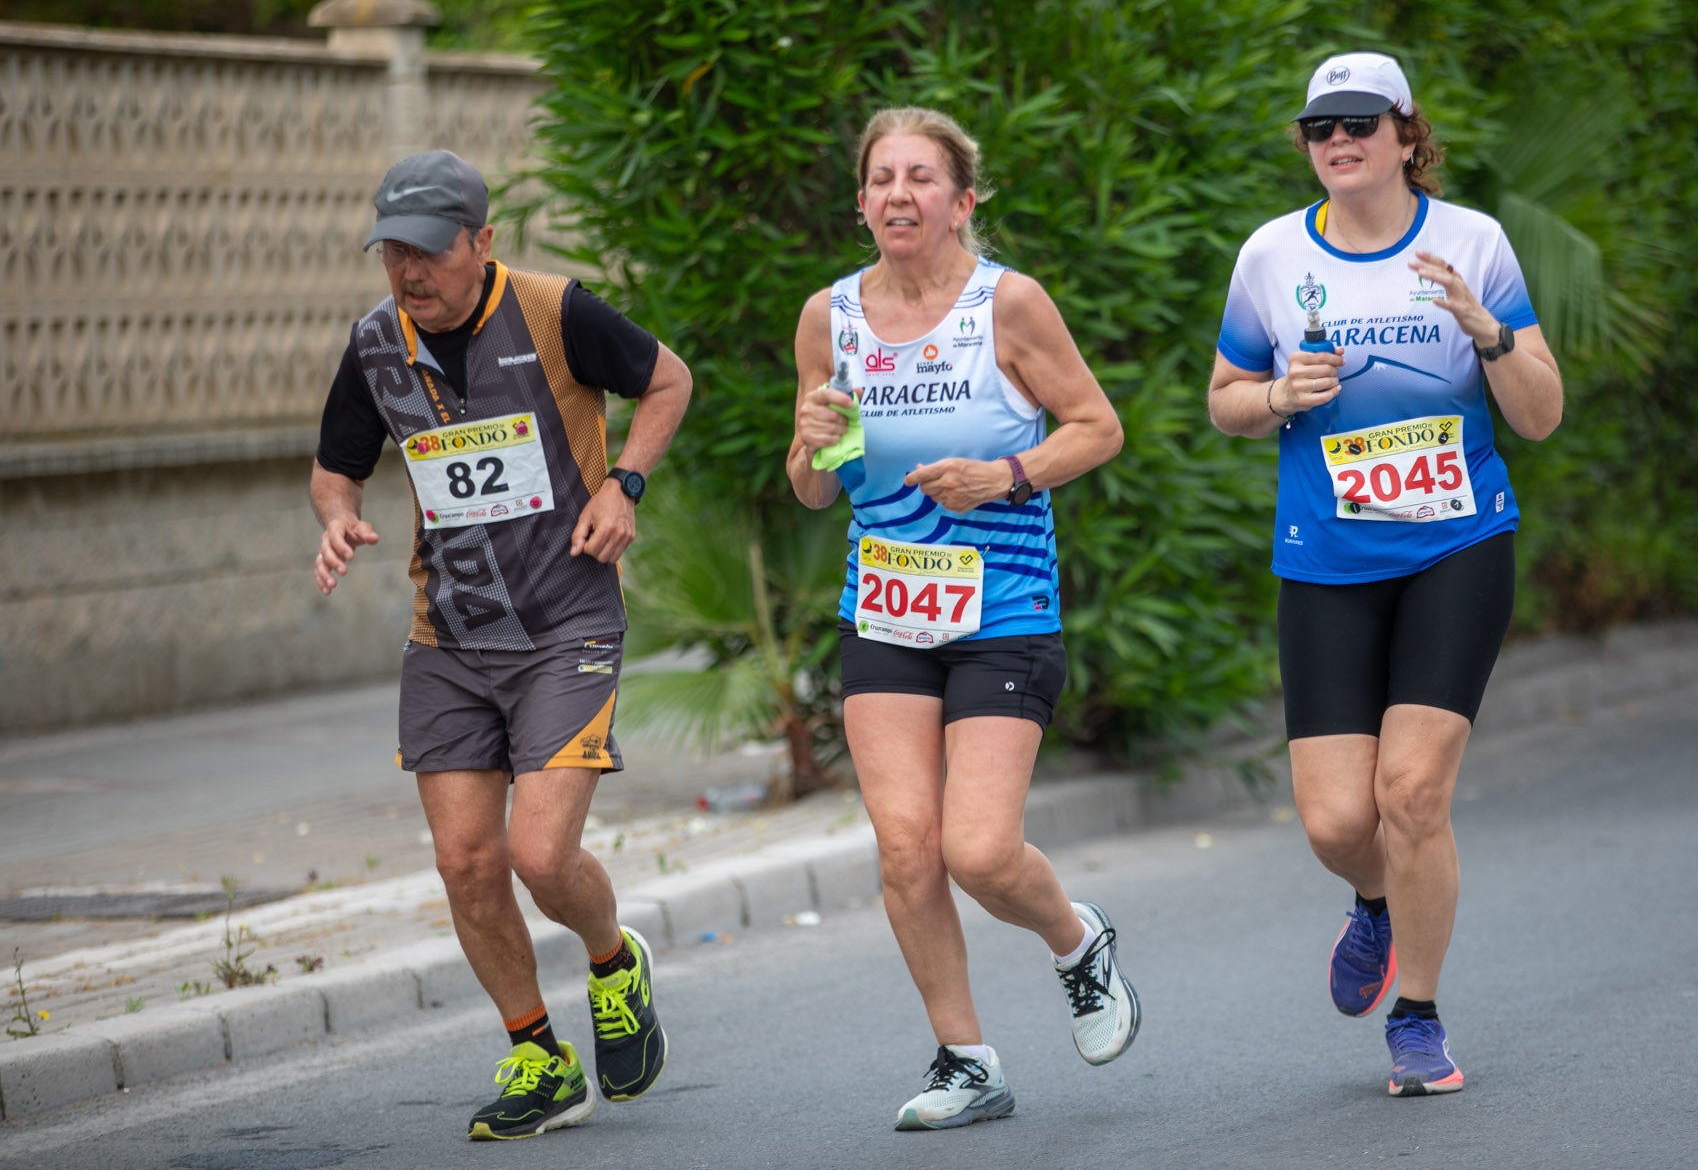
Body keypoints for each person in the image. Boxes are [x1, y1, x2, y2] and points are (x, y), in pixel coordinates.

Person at [310, 150, 693, 1140]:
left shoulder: (557, 311)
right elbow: (335, 465)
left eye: (430, 250)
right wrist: (336, 515)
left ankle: (613, 961)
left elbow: (667, 382)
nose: (409, 271)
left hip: (567, 618)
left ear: (482, 241)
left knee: (537, 851)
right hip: (449, 632)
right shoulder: (373, 344)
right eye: (394, 250)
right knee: (465, 860)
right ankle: (537, 1052)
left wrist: (626, 484)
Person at [1207, 53, 1562, 1096]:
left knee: (1409, 793)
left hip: (1455, 545)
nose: (1338, 141)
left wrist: (1485, 330)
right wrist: (1275, 398)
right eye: (1320, 127)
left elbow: (1538, 415)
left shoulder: (1471, 243)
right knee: (1333, 822)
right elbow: (1223, 395)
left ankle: (1417, 1012)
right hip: (1326, 559)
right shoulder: (1271, 254)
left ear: (1408, 135)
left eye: (1361, 122)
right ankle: (1373, 902)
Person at [787, 107, 1136, 1131]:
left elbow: (1098, 426)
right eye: (881, 178)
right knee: (905, 845)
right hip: (884, 604)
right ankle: (963, 1057)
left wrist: (1008, 471)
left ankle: (1077, 942)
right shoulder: (830, 317)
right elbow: (813, 488)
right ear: (860, 202)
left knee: (978, 851)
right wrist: (809, 447)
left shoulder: (1007, 305)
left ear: (962, 200)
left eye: (922, 178)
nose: (899, 194)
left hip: (1004, 606)